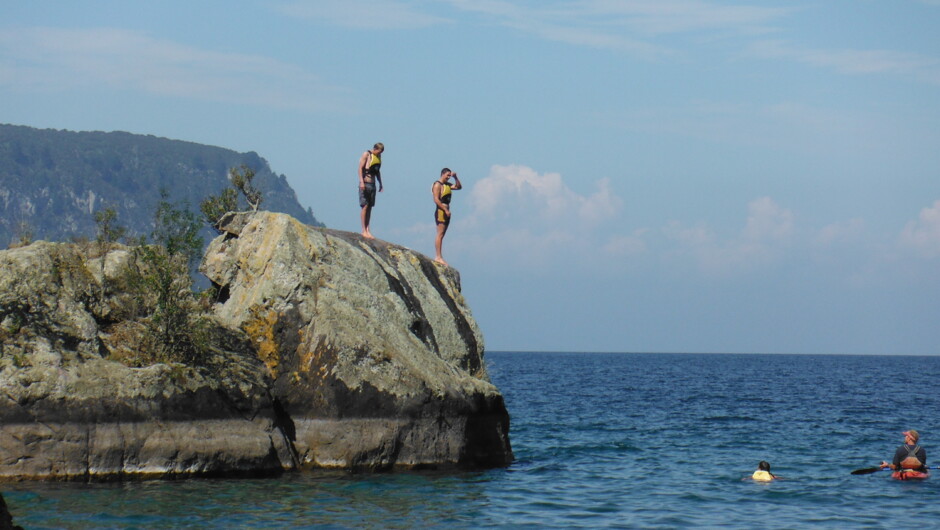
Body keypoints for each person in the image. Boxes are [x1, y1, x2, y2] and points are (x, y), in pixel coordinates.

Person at [431, 167, 462, 265]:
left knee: (442, 234)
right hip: (441, 211)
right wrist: (444, 210)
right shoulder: (437, 185)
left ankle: (440, 256)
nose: (449, 177)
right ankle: (438, 256)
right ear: (442, 174)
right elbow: (436, 199)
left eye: (450, 175)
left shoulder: (447, 185)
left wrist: (455, 178)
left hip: (447, 210)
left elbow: (459, 187)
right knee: (439, 233)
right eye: (447, 175)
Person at [358, 143, 384, 239]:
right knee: (365, 206)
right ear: (375, 148)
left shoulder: (378, 157)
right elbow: (360, 168)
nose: (379, 153)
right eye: (379, 151)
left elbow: (377, 171)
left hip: (373, 184)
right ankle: (363, 230)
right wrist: (361, 182)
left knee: (370, 207)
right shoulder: (366, 154)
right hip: (365, 183)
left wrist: (380, 183)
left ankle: (368, 229)